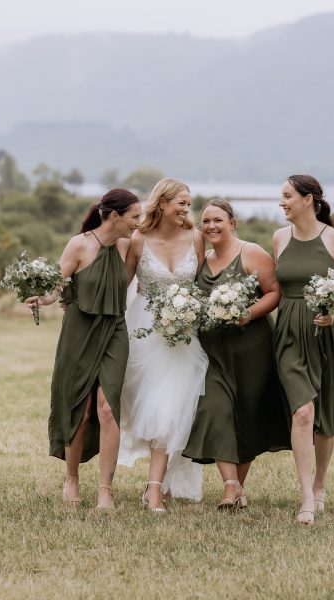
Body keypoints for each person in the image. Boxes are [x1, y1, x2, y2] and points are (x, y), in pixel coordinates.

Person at [26, 188, 141, 510]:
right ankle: (72, 477)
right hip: (79, 332)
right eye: (134, 216)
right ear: (115, 216)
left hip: (114, 330)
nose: (139, 222)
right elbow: (57, 286)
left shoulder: (128, 245)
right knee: (81, 407)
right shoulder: (80, 245)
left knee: (108, 409)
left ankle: (106, 488)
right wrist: (44, 299)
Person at [272, 174, 334, 525]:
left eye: (287, 196)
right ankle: (307, 497)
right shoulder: (280, 238)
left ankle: (321, 484)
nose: (281, 202)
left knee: (324, 415)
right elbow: (277, 287)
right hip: (289, 334)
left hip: (327, 334)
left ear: (308, 199)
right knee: (302, 412)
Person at [182, 199, 290, 509]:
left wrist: (248, 314)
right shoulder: (201, 260)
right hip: (212, 352)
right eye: (206, 221)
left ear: (232, 222)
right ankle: (230, 487)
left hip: (251, 349)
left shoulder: (251, 252)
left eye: (217, 219)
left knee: (247, 416)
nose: (211, 226)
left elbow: (274, 293)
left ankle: (237, 488)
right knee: (215, 409)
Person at [117, 178, 208, 512]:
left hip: (185, 333)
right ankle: (159, 484)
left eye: (188, 203)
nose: (186, 208)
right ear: (163, 203)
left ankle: (155, 489)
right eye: (181, 202)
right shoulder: (139, 238)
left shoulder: (196, 238)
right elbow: (121, 284)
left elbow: (203, 283)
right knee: (155, 408)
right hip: (144, 332)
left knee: (174, 408)